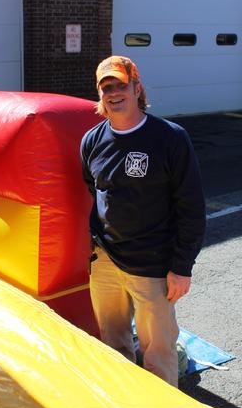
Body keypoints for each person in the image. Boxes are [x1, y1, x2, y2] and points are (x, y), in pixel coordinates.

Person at [80, 55, 206, 387]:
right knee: (114, 344)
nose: (114, 93)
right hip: (106, 260)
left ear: (137, 88)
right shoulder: (91, 141)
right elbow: (95, 191)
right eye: (106, 87)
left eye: (121, 84)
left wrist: (182, 266)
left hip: (153, 265)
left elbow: (191, 207)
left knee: (158, 353)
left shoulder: (170, 138)